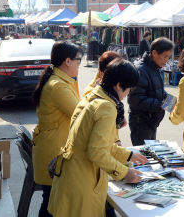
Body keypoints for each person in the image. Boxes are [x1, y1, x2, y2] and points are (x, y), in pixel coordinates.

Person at [48, 59, 148, 217]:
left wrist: (128, 155)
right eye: (128, 88)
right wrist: (125, 173)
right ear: (118, 84)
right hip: (83, 182)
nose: (127, 93)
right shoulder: (107, 107)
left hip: (71, 176)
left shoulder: (94, 96)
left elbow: (98, 143)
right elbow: (97, 152)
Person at [32, 41, 82, 217]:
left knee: (51, 200)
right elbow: (80, 113)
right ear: (67, 61)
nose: (79, 65)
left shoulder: (60, 80)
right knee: (51, 202)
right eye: (78, 60)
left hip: (51, 148)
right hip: (53, 151)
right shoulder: (58, 85)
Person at [128, 37, 174, 146]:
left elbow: (159, 91)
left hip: (151, 120)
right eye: (165, 56)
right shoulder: (140, 70)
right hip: (141, 122)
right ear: (154, 53)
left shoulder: (155, 67)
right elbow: (135, 99)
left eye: (168, 57)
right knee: (144, 157)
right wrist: (161, 105)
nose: (166, 60)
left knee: (151, 155)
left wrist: (172, 102)